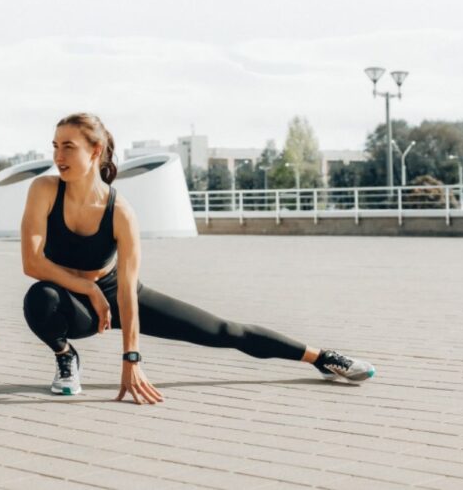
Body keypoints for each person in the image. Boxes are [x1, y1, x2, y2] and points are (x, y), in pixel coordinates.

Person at [21, 113, 375, 404]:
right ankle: (65, 356)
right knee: (40, 299)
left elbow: (127, 291)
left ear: (96, 151)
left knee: (225, 331)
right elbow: (32, 263)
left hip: (116, 292)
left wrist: (131, 359)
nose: (58, 156)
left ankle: (323, 358)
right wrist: (86, 287)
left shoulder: (121, 213)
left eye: (68, 147)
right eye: (55, 146)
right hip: (70, 303)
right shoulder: (45, 190)